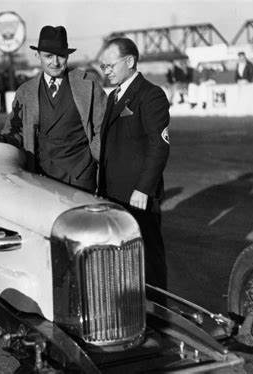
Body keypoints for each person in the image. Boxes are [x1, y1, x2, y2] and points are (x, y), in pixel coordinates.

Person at [0, 25, 107, 193]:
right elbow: (16, 132)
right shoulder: (25, 92)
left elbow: (104, 126)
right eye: (48, 56)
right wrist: (1, 138)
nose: (55, 62)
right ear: (38, 56)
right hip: (41, 181)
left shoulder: (88, 84)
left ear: (68, 56)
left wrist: (93, 158)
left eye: (61, 56)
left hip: (81, 179)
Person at [98, 37, 170, 289]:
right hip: (114, 195)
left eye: (110, 65)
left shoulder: (151, 95)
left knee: (149, 261)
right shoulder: (113, 97)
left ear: (129, 61)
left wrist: (144, 188)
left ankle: (159, 318)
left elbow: (159, 146)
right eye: (103, 66)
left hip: (138, 197)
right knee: (123, 261)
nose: (106, 71)